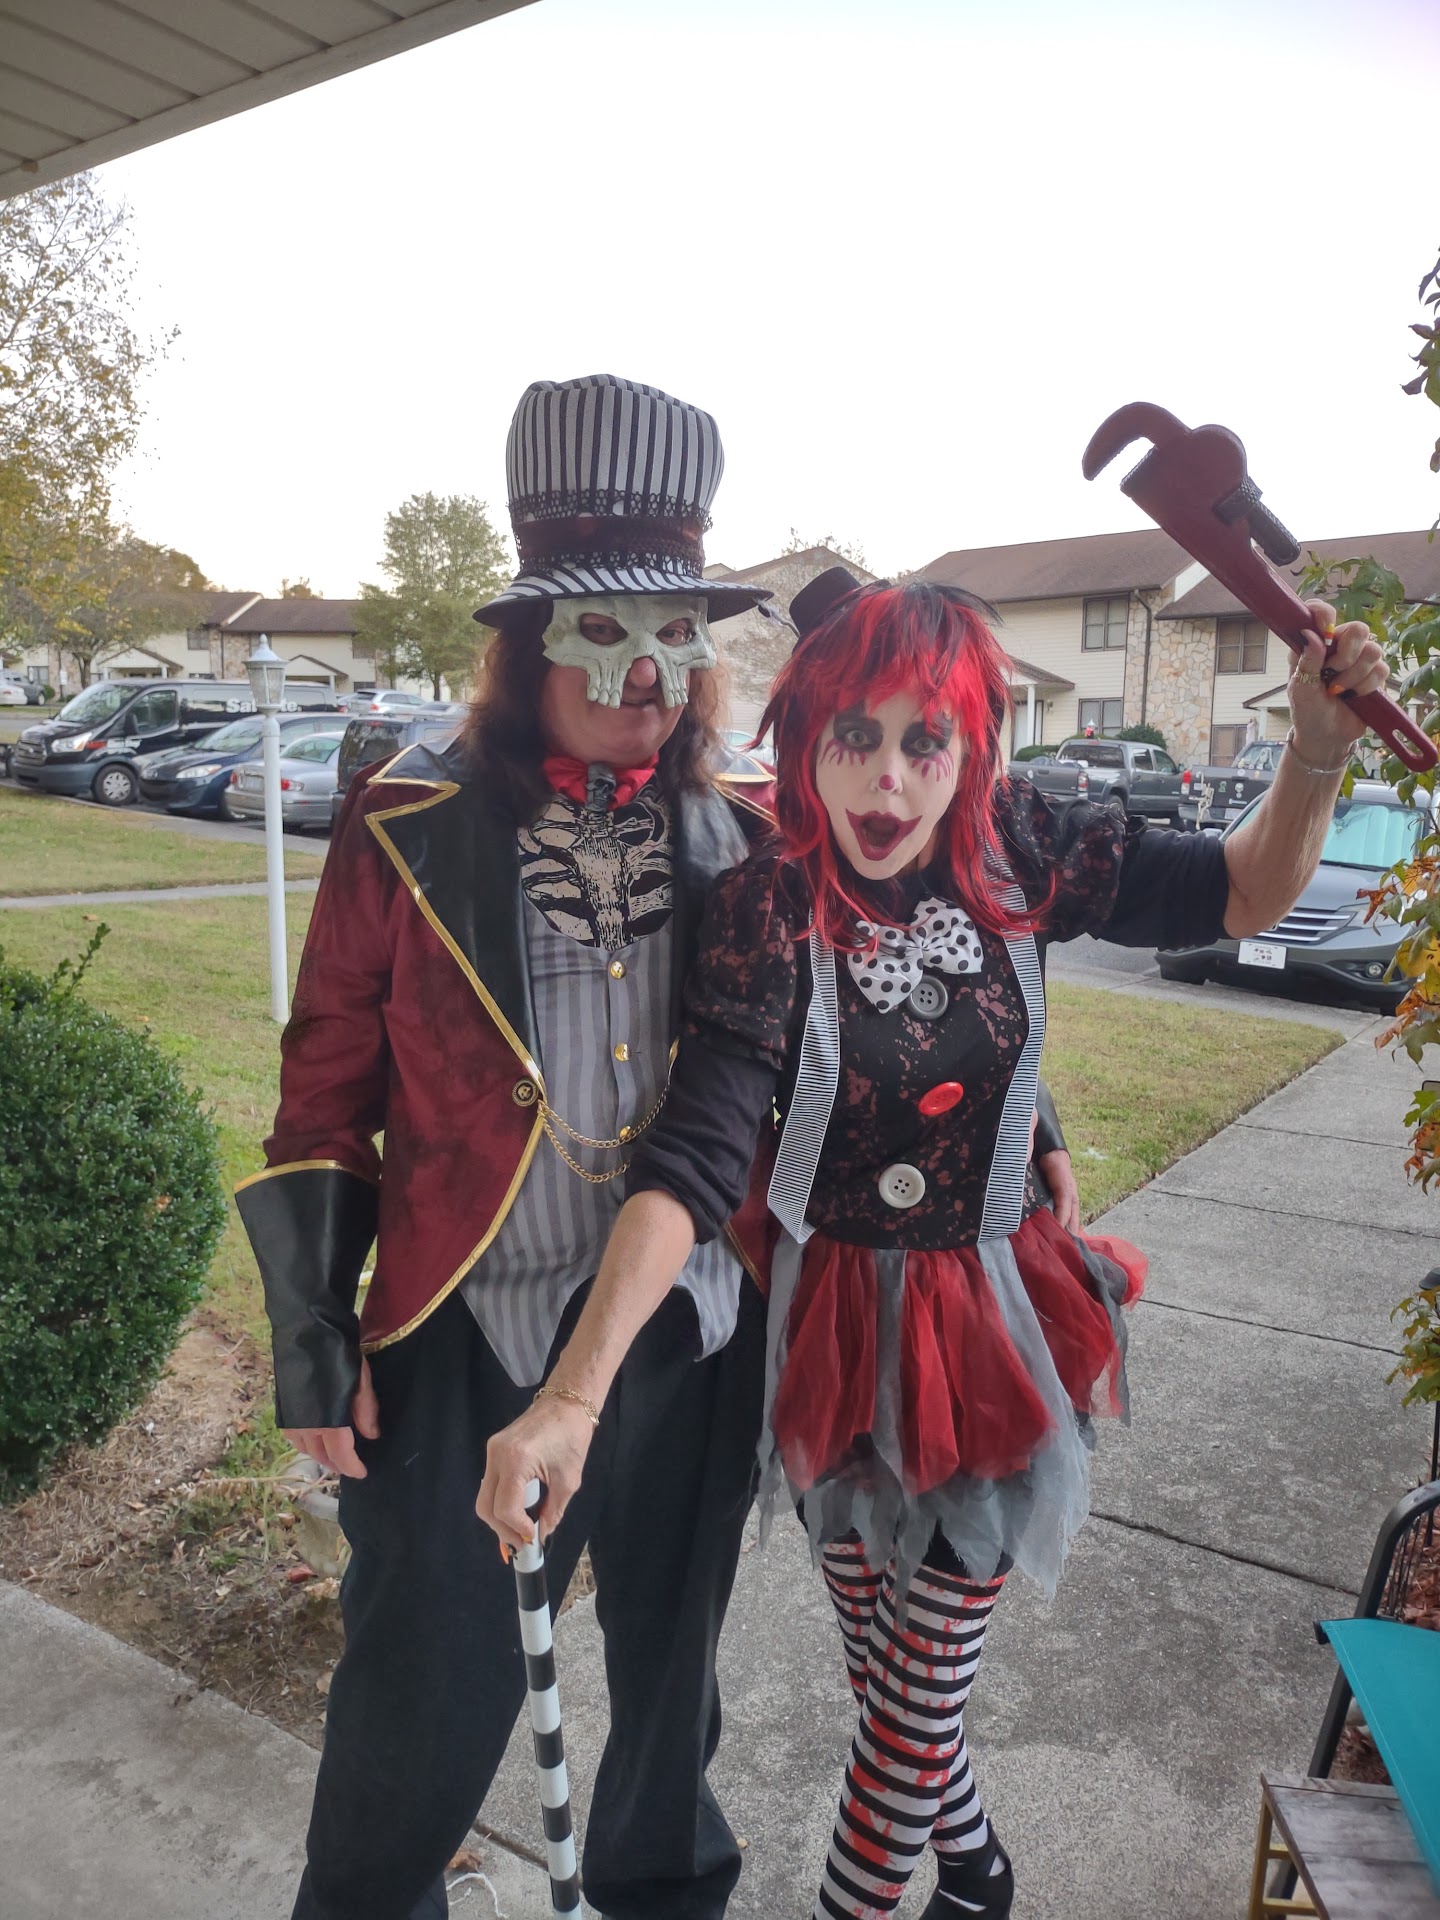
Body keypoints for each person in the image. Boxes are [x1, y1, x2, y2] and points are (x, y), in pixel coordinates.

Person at [478, 568, 1386, 1920]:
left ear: (972, 751)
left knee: (912, 1702)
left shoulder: (1021, 846)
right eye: (855, 736)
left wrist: (1311, 755)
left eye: (926, 740)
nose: (888, 781)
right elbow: (698, 1152)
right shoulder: (770, 903)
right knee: (888, 1677)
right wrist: (573, 1396)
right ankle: (977, 1871)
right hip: (832, 1331)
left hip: (997, 1328)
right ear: (806, 741)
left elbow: (1240, 892)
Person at [236, 373, 783, 1920]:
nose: (647, 673)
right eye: (605, 628)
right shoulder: (406, 816)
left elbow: (868, 992)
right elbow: (325, 1076)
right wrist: (311, 1330)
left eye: (677, 632)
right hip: (466, 1326)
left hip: (687, 1324)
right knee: (419, 1703)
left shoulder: (747, 826)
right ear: (533, 636)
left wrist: (1036, 1122)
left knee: (672, 1691)